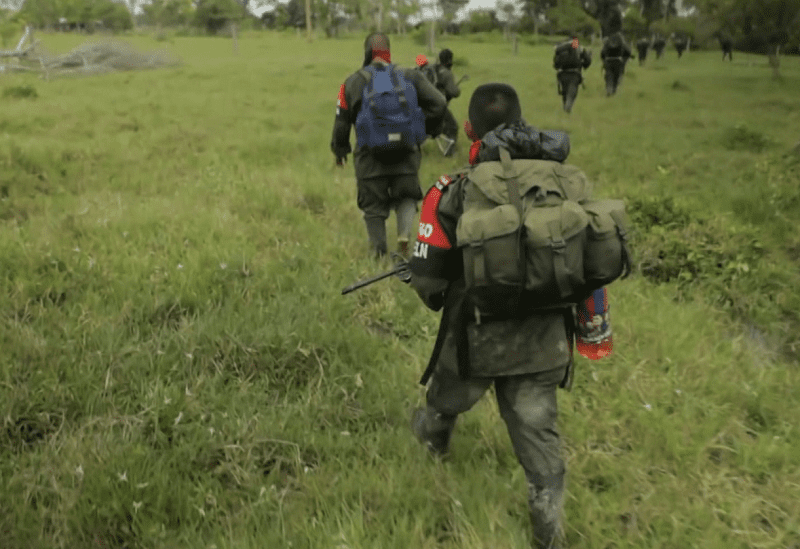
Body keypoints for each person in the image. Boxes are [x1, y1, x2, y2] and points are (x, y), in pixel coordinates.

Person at [408, 83, 588, 549]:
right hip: (546, 340)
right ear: (524, 119)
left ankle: (433, 447)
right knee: (540, 441)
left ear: (468, 129)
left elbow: (428, 282)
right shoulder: (565, 183)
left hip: (474, 340)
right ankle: (549, 536)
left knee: (444, 400)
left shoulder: (452, 190)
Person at [331, 33, 447, 259]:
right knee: (406, 195)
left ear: (366, 53)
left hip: (370, 158)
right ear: (388, 52)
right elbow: (439, 102)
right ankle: (404, 238)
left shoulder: (352, 82)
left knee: (373, 205)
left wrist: (340, 151)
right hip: (406, 154)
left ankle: (378, 252)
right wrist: (425, 131)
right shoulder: (410, 76)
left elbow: (341, 122)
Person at [432, 48, 463, 157]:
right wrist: (457, 90)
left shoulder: (433, 69)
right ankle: (449, 153)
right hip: (437, 106)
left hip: (424, 105)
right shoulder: (447, 73)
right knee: (453, 127)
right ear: (450, 60)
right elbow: (453, 92)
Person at [552, 36, 592, 113]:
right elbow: (588, 61)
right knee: (572, 92)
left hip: (562, 73)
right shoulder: (579, 47)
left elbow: (555, 64)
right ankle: (568, 107)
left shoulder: (561, 49)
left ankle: (565, 109)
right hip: (575, 74)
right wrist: (582, 65)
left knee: (565, 92)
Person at [600, 32, 633, 96]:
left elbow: (602, 53)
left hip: (608, 61)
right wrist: (624, 59)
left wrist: (604, 60)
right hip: (618, 61)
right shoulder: (621, 42)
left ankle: (609, 89)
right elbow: (628, 52)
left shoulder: (608, 42)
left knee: (609, 76)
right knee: (616, 76)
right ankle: (613, 90)